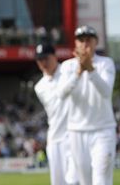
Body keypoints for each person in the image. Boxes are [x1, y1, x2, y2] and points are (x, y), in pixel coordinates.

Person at [57, 25, 116, 185]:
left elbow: (105, 92)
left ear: (96, 42)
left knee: (101, 179)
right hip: (77, 131)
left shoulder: (106, 63)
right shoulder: (67, 66)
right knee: (85, 181)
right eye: (81, 40)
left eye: (89, 40)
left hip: (103, 129)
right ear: (76, 43)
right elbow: (61, 93)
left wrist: (90, 69)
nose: (85, 44)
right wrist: (78, 72)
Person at [33, 42, 76, 185]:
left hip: (74, 134)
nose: (43, 63)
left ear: (55, 56)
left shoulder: (68, 70)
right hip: (54, 138)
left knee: (74, 180)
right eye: (40, 60)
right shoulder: (39, 87)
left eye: (46, 58)